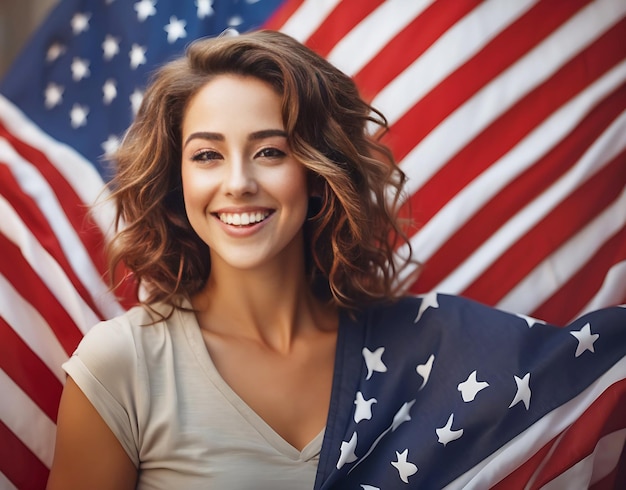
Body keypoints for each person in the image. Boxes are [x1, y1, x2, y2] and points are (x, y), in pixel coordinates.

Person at [47, 30, 626, 489]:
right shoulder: (123, 365)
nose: (239, 182)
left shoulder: (430, 347)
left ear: (319, 174)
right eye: (207, 156)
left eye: (270, 150)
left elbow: (587, 389)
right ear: (177, 181)